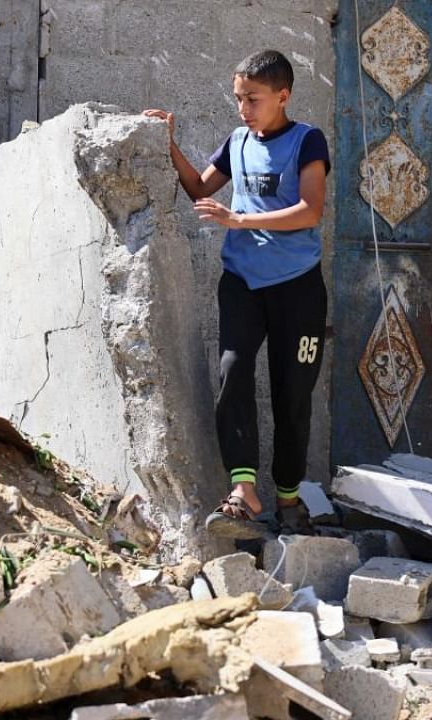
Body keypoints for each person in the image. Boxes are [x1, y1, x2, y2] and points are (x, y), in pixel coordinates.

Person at [144, 49, 330, 538]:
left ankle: (289, 499)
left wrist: (238, 219)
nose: (243, 109)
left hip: (297, 287)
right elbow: (200, 189)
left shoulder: (308, 141)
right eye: (238, 98)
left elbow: (311, 210)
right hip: (243, 281)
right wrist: (168, 145)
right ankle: (242, 491)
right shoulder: (238, 141)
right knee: (233, 370)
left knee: (293, 395)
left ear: (282, 96)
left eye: (253, 99)